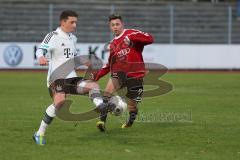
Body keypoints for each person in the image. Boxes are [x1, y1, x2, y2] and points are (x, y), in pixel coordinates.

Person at [33, 10, 106, 145]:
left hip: (72, 77)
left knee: (93, 86)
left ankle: (101, 106)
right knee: (59, 103)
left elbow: (72, 56)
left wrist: (84, 62)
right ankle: (39, 133)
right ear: (63, 22)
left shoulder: (73, 38)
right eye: (72, 22)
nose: (74, 25)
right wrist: (41, 57)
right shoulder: (53, 36)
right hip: (57, 78)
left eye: (76, 22)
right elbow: (40, 49)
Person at [92, 14, 154, 131]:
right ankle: (101, 121)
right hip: (119, 74)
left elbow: (150, 39)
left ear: (122, 25)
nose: (115, 27)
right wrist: (97, 76)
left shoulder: (132, 33)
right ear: (110, 27)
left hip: (135, 75)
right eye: (112, 25)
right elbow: (109, 64)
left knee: (132, 105)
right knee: (107, 94)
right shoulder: (112, 44)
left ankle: (130, 121)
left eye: (117, 24)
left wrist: (132, 39)